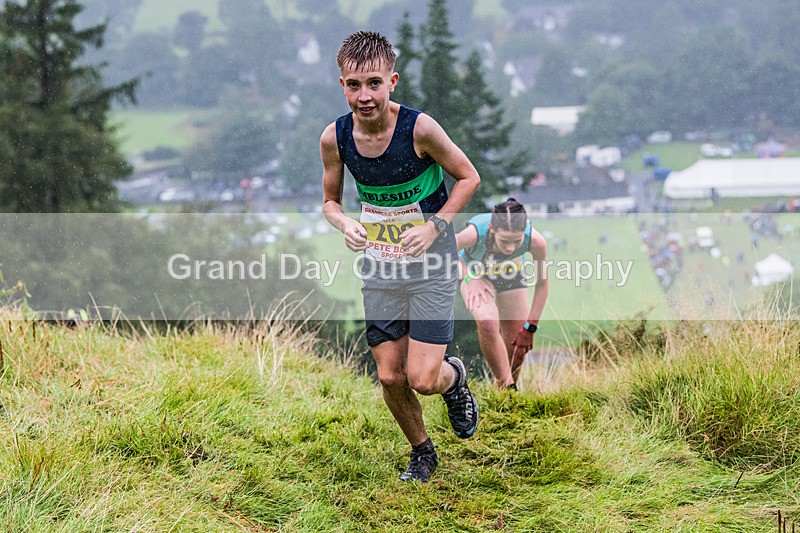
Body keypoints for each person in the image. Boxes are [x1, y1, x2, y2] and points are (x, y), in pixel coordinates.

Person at [320, 31, 481, 483]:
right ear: (342, 85)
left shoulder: (420, 129)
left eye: (374, 83)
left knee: (423, 378)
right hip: (381, 263)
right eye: (354, 85)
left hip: (431, 263)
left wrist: (434, 227)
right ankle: (422, 453)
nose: (364, 95)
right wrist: (346, 224)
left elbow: (468, 178)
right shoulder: (334, 138)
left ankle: (455, 379)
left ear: (392, 81)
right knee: (391, 377)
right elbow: (331, 201)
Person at [456, 199, 549, 390]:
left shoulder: (536, 242)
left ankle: (503, 394)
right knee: (487, 322)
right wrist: (469, 277)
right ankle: (509, 389)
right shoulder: (475, 232)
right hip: (475, 275)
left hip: (510, 276)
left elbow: (542, 285)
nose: (510, 248)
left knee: (517, 347)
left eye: (517, 241)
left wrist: (530, 328)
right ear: (492, 228)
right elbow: (444, 249)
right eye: (504, 241)